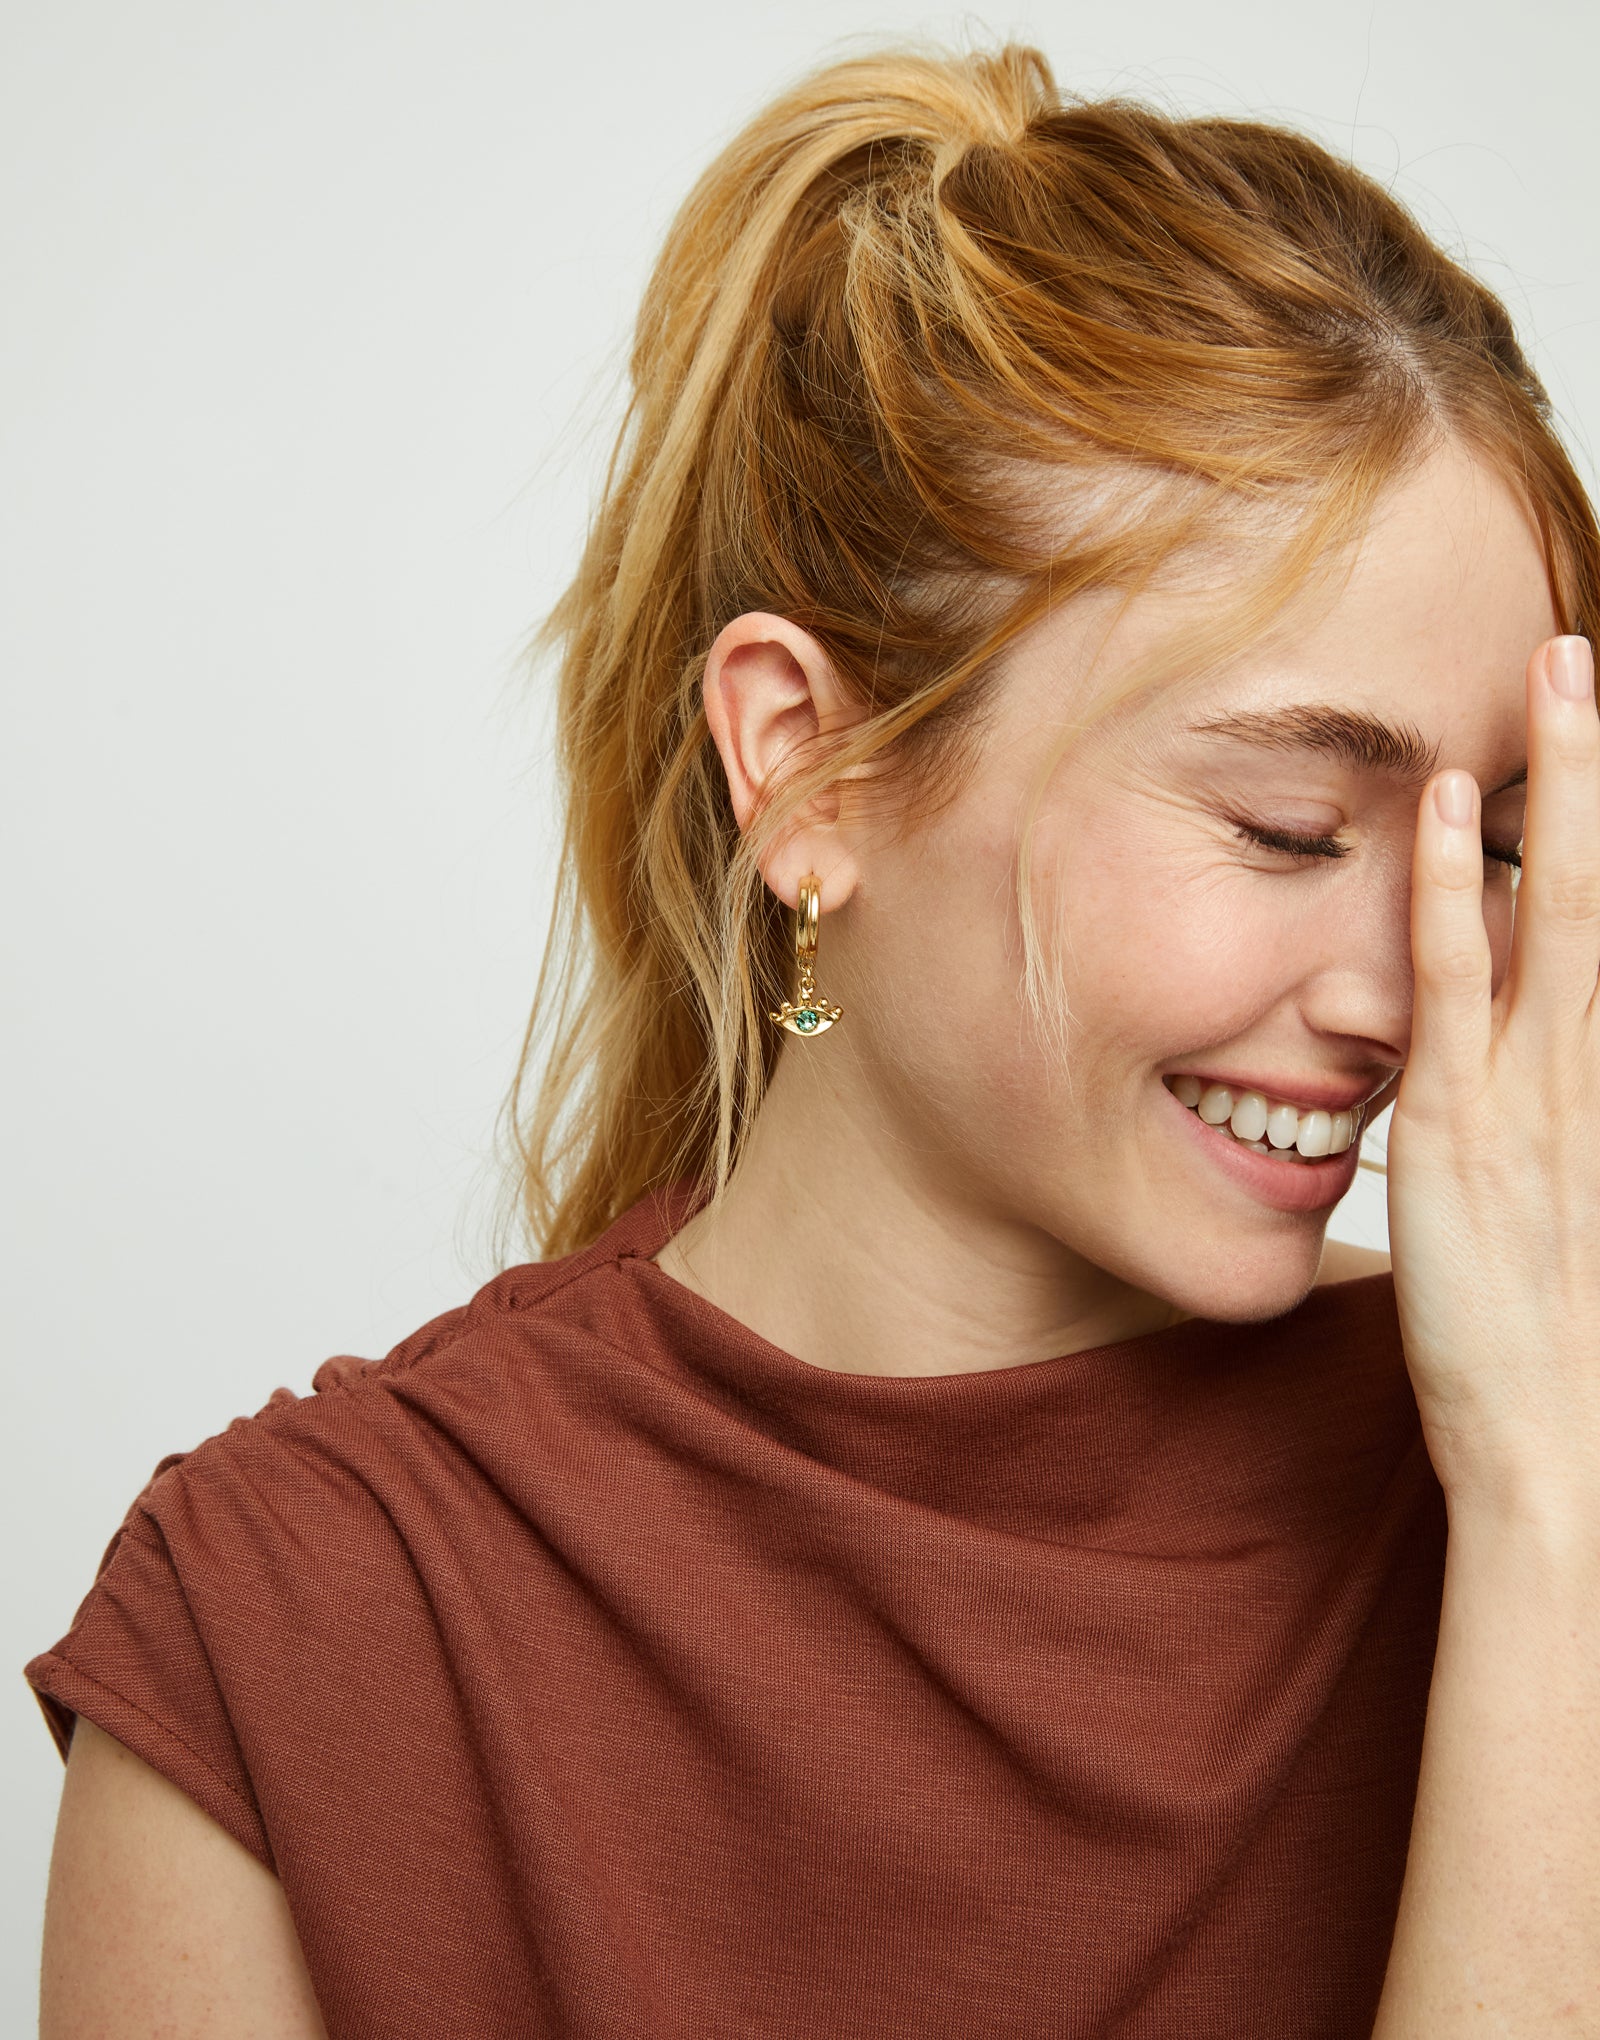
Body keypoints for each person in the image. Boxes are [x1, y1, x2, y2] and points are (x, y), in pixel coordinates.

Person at [26, 40, 1600, 2040]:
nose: (1406, 989)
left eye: (1496, 847)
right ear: (812, 766)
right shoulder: (293, 1636)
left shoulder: (1535, 1483)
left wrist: (1550, 1516)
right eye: (1287, 826)